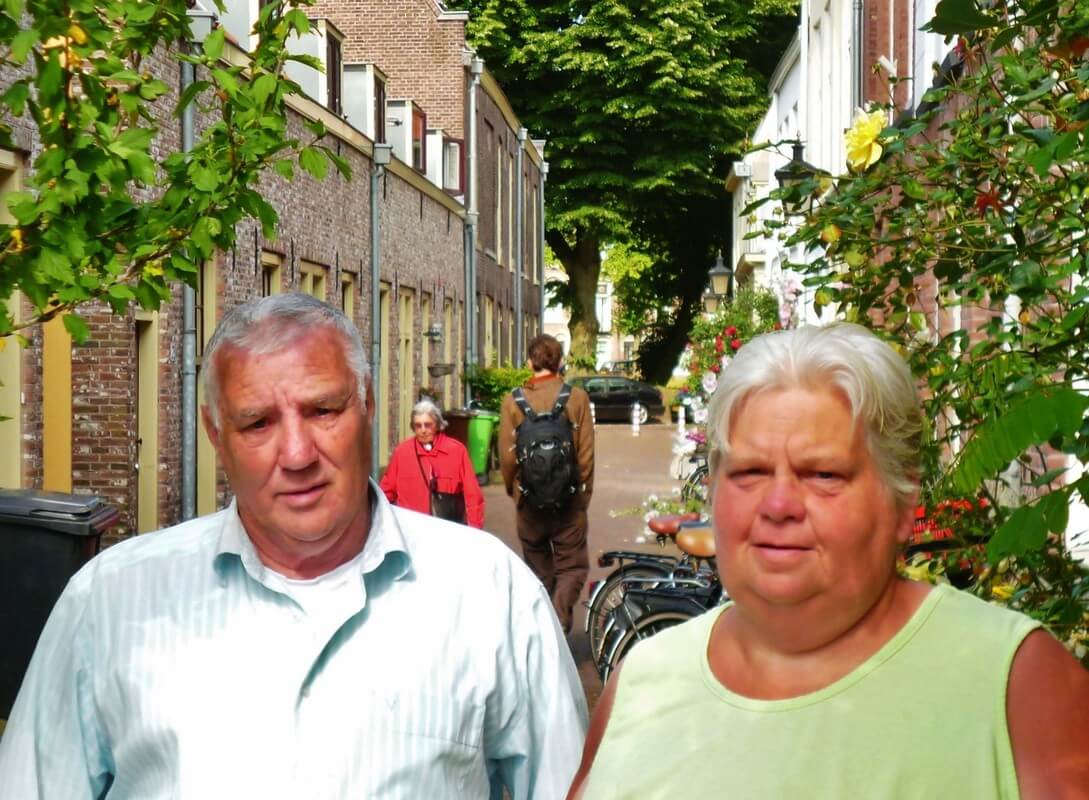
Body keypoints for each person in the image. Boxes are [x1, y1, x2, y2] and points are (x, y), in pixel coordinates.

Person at [0, 293, 587, 799]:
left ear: (368, 405)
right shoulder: (109, 605)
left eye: (323, 410)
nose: (298, 454)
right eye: (257, 423)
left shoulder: (490, 596)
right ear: (215, 435)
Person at [568, 323, 1089, 799]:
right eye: (749, 471)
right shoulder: (643, 682)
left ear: (902, 502)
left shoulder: (1016, 686)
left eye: (823, 475)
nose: (778, 505)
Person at [499, 334, 594, 634]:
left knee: (538, 570)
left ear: (529, 362)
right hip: (569, 503)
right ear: (561, 361)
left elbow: (506, 457)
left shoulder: (512, 401)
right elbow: (586, 455)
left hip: (530, 505)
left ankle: (543, 631)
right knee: (572, 568)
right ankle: (559, 620)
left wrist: (516, 493)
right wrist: (582, 498)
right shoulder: (577, 398)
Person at [379, 399, 485, 527]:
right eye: (418, 425)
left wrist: (474, 530)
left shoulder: (457, 451)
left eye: (428, 424)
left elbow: (473, 496)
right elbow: (385, 494)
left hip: (447, 531)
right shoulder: (401, 453)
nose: (423, 430)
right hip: (410, 531)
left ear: (438, 425)